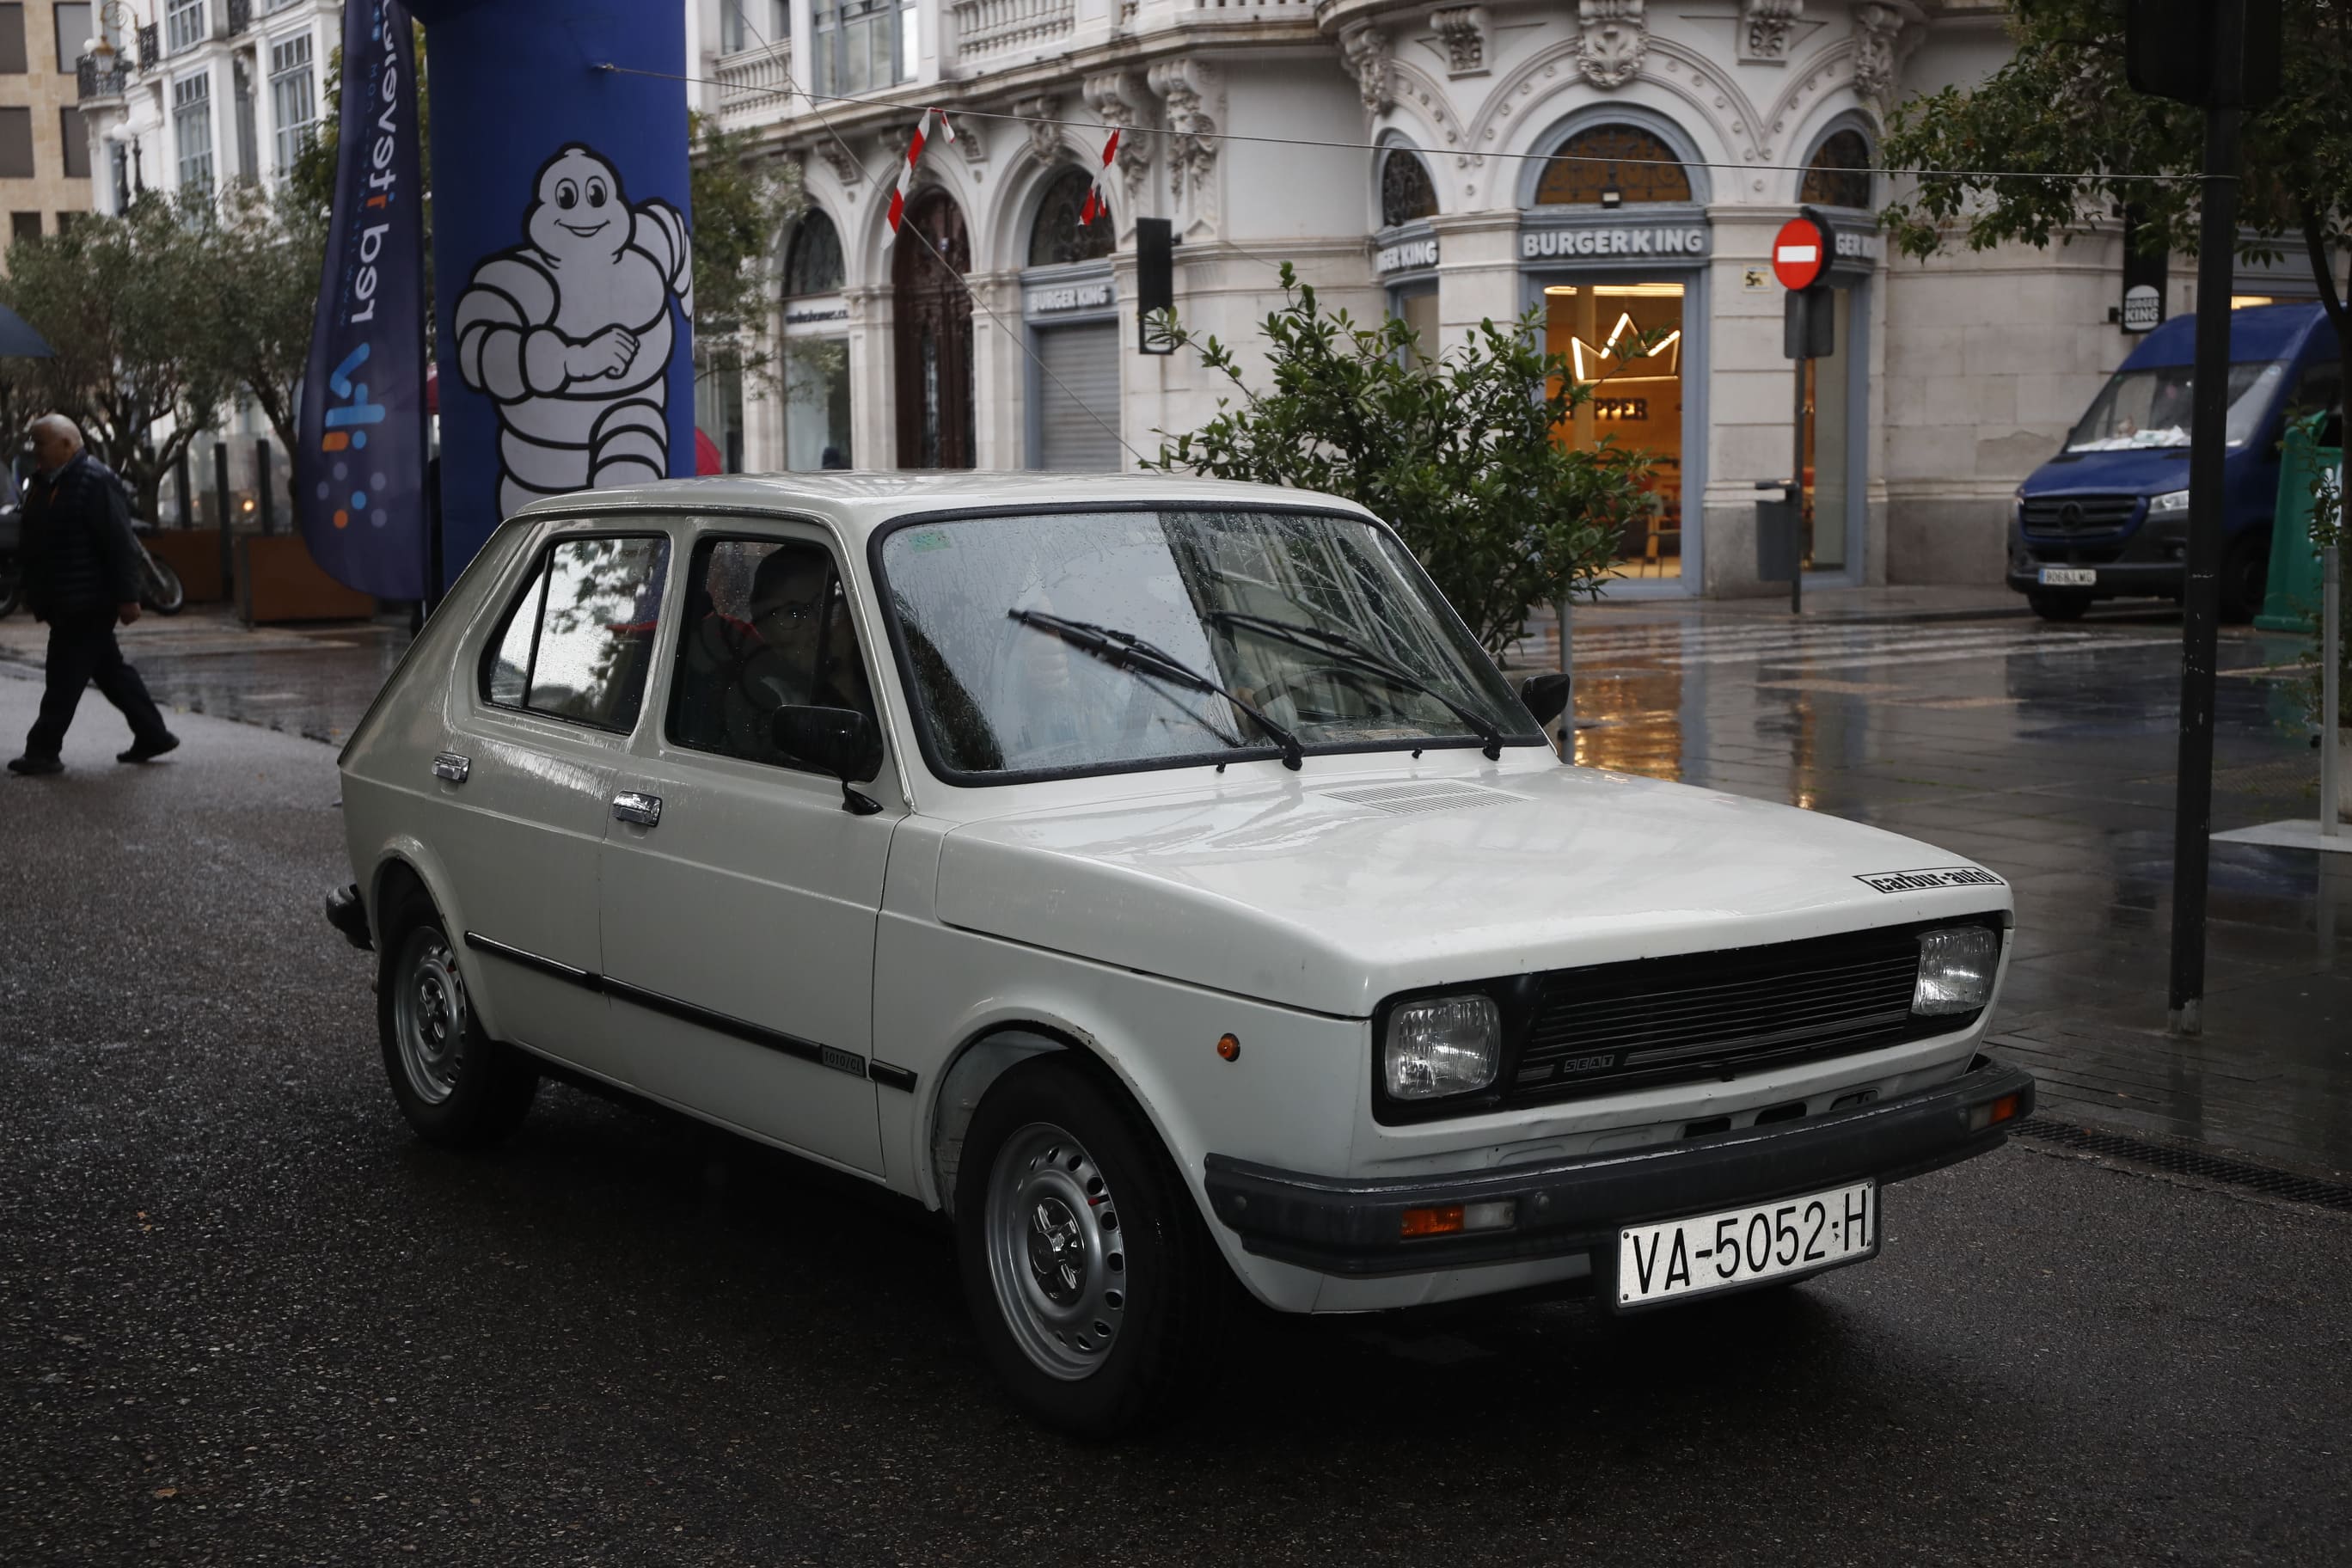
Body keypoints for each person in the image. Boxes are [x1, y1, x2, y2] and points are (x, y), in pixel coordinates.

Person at [6, 414, 177, 775]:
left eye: (40, 443)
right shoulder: (43, 483)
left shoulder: (95, 480)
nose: (34, 450)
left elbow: (119, 542)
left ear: (68, 445)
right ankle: (153, 734)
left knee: (63, 675)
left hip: (87, 601)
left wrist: (128, 597)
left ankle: (42, 749)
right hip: (64, 596)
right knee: (111, 672)